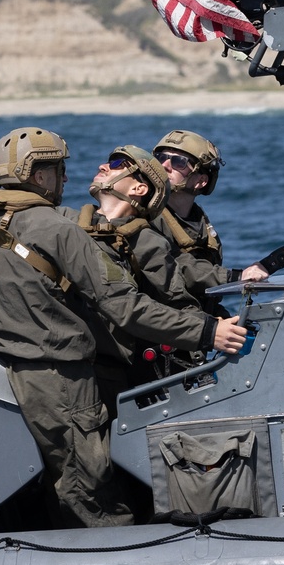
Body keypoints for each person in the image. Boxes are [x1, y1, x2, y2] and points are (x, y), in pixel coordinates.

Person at [0, 126, 247, 528]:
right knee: (90, 493)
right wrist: (206, 331)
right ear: (38, 176)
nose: (66, 179)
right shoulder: (63, 230)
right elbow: (125, 307)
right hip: (60, 380)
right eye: (59, 171)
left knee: (46, 488)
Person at [62, 143, 210, 413]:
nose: (103, 167)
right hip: (66, 361)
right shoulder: (65, 223)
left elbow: (177, 300)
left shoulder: (146, 242)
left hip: (111, 370)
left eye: (118, 165)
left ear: (139, 189)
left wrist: (211, 335)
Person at [152, 129, 284, 307]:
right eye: (160, 157)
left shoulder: (199, 223)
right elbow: (175, 265)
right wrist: (237, 277)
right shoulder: (147, 216)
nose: (165, 165)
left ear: (200, 181)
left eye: (178, 162)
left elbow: (204, 295)